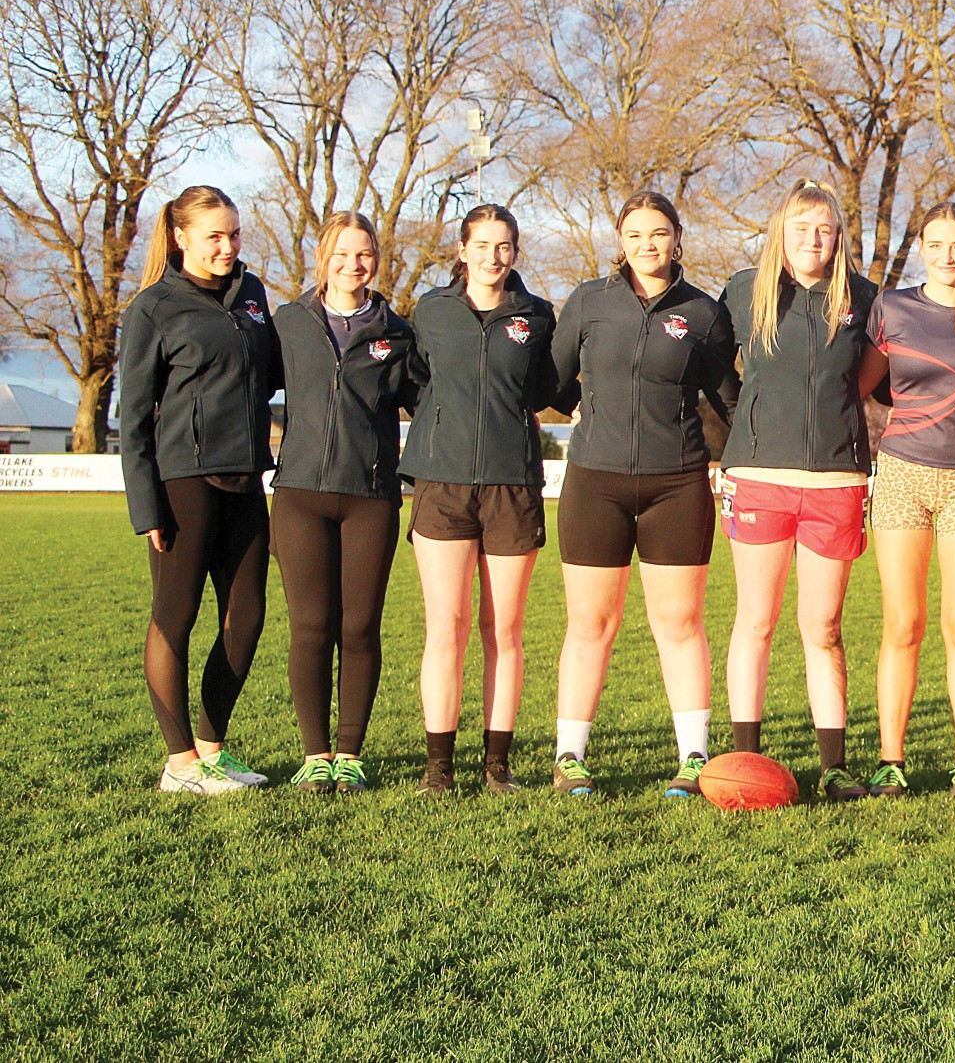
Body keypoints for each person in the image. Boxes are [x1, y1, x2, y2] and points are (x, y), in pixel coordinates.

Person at [546, 191, 739, 798]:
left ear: (677, 238)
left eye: (658, 233)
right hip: (594, 484)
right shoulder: (588, 301)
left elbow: (730, 400)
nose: (647, 245)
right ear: (621, 240)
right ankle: (570, 757)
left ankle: (693, 757)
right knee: (590, 623)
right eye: (635, 234)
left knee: (679, 622)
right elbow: (549, 383)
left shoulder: (703, 314)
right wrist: (587, 412)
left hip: (677, 484)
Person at [718, 179, 885, 801]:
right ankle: (743, 760)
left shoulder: (865, 299)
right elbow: (709, 370)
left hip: (837, 480)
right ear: (779, 233)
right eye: (801, 228)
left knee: (824, 626)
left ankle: (834, 767)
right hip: (760, 477)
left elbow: (876, 379)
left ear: (839, 236)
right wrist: (749, 420)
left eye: (826, 229)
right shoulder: (743, 290)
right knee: (756, 621)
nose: (814, 240)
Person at [121, 185, 281, 794]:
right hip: (181, 480)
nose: (227, 246)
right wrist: (147, 506)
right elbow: (133, 414)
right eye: (214, 235)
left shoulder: (253, 295)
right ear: (181, 236)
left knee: (247, 618)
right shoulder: (154, 307)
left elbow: (272, 376)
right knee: (175, 617)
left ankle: (211, 751)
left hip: (246, 477)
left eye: (234, 234)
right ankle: (179, 763)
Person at [401, 204, 559, 795]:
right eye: (483, 245)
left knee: (505, 630)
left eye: (505, 246)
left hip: (512, 486)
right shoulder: (431, 311)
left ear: (514, 253)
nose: (494, 256)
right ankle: (437, 767)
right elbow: (416, 379)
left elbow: (550, 388)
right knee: (447, 624)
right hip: (440, 484)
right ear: (461, 251)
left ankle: (497, 765)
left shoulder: (537, 316)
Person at [865, 203, 955, 800]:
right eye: (936, 244)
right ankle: (891, 761)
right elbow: (858, 391)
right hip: (901, 474)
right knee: (903, 624)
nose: (947, 255)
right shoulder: (892, 308)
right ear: (921, 246)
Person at [270, 212, 417, 794]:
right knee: (310, 625)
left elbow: (432, 400)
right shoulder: (287, 322)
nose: (354, 264)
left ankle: (350, 753)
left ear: (376, 260)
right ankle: (315, 755)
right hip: (300, 494)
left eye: (365, 254)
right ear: (322, 258)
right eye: (342, 254)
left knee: (359, 627)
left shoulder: (397, 332)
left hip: (370, 498)